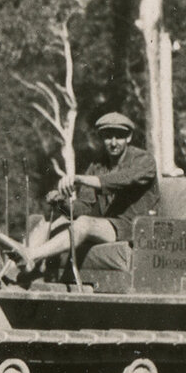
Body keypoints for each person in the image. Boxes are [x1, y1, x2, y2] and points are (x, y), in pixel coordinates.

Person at [20, 112, 158, 274]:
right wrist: (61, 202)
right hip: (109, 226)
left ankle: (32, 255)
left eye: (119, 137)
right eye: (108, 137)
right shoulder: (97, 166)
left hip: (137, 228)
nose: (113, 143)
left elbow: (119, 180)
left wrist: (79, 178)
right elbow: (84, 207)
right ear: (102, 138)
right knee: (55, 222)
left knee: (84, 223)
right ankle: (17, 264)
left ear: (129, 138)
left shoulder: (144, 160)